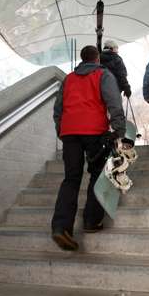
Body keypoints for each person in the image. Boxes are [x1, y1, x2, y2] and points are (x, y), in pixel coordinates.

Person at [51, 45, 126, 251]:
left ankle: (61, 227)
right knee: (97, 174)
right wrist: (118, 129)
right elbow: (114, 103)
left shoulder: (69, 79)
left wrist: (61, 129)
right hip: (94, 132)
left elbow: (57, 109)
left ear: (82, 59)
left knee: (71, 178)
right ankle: (91, 221)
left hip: (70, 134)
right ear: (97, 59)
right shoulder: (103, 74)